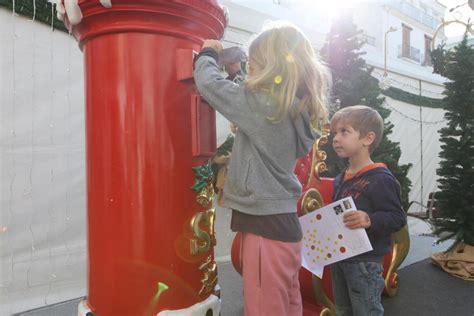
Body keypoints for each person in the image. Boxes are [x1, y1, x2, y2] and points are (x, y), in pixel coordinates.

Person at [193, 22, 330, 315]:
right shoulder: (289, 109)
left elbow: (208, 85)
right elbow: (252, 102)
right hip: (284, 227)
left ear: (270, 68)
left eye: (253, 65)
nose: (248, 71)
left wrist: (206, 53)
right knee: (287, 304)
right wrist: (236, 73)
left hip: (265, 231)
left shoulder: (265, 108)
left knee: (264, 309)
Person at [329, 105, 407, 316]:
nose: (336, 138)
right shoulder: (340, 178)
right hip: (340, 258)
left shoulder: (381, 178)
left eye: (344, 132)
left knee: (366, 311)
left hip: (365, 263)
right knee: (343, 310)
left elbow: (397, 217)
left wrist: (370, 219)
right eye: (335, 133)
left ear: (368, 138)